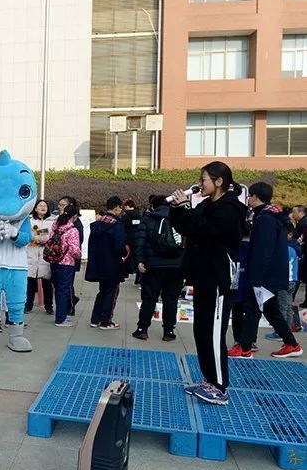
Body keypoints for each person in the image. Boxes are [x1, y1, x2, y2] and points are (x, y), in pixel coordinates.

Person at [170, 161, 247, 405]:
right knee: (201, 330)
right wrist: (176, 207)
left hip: (218, 279)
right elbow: (186, 225)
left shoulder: (230, 208)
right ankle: (208, 380)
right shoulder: (206, 205)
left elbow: (202, 229)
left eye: (204, 180)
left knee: (214, 333)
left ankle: (220, 387)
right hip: (203, 277)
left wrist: (185, 208)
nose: (200, 184)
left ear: (219, 181)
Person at [231, 182, 302, 359]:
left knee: (252, 309)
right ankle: (292, 344)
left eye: (250, 196)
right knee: (271, 310)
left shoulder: (265, 219)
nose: (248, 199)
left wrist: (256, 278)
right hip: (271, 275)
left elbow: (263, 251)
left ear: (254, 197)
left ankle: (245, 348)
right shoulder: (272, 215)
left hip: (263, 276)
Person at [132, 195, 184, 342]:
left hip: (153, 264)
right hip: (176, 265)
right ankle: (169, 331)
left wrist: (140, 261)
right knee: (171, 299)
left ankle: (142, 329)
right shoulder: (179, 218)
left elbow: (140, 241)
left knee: (149, 297)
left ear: (153, 205)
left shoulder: (148, 219)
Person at [85, 197, 127, 330]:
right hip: (113, 264)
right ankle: (106, 321)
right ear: (116, 208)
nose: (121, 211)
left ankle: (95, 319)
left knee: (102, 291)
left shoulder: (97, 225)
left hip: (98, 264)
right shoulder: (117, 225)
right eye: (120, 208)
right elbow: (120, 246)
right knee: (111, 292)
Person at [50, 204, 82, 327]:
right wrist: (79, 255)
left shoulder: (55, 227)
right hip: (67, 264)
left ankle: (60, 315)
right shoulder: (72, 230)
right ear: (74, 216)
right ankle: (61, 319)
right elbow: (75, 250)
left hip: (54, 262)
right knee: (63, 290)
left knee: (58, 290)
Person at [26, 200, 54, 314]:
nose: (43, 207)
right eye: (40, 205)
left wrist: (37, 236)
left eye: (45, 206)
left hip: (45, 254)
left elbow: (50, 237)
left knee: (47, 283)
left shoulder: (52, 221)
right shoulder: (29, 220)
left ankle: (49, 307)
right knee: (30, 282)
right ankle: (28, 305)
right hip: (31, 254)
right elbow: (29, 235)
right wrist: (39, 237)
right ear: (35, 208)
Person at [57, 196, 84, 315]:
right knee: (61, 286)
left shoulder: (76, 225)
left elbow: (78, 243)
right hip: (58, 259)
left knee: (67, 286)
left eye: (63, 205)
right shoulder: (58, 221)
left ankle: (69, 306)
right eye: (59, 204)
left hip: (68, 260)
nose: (60, 207)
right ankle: (66, 306)